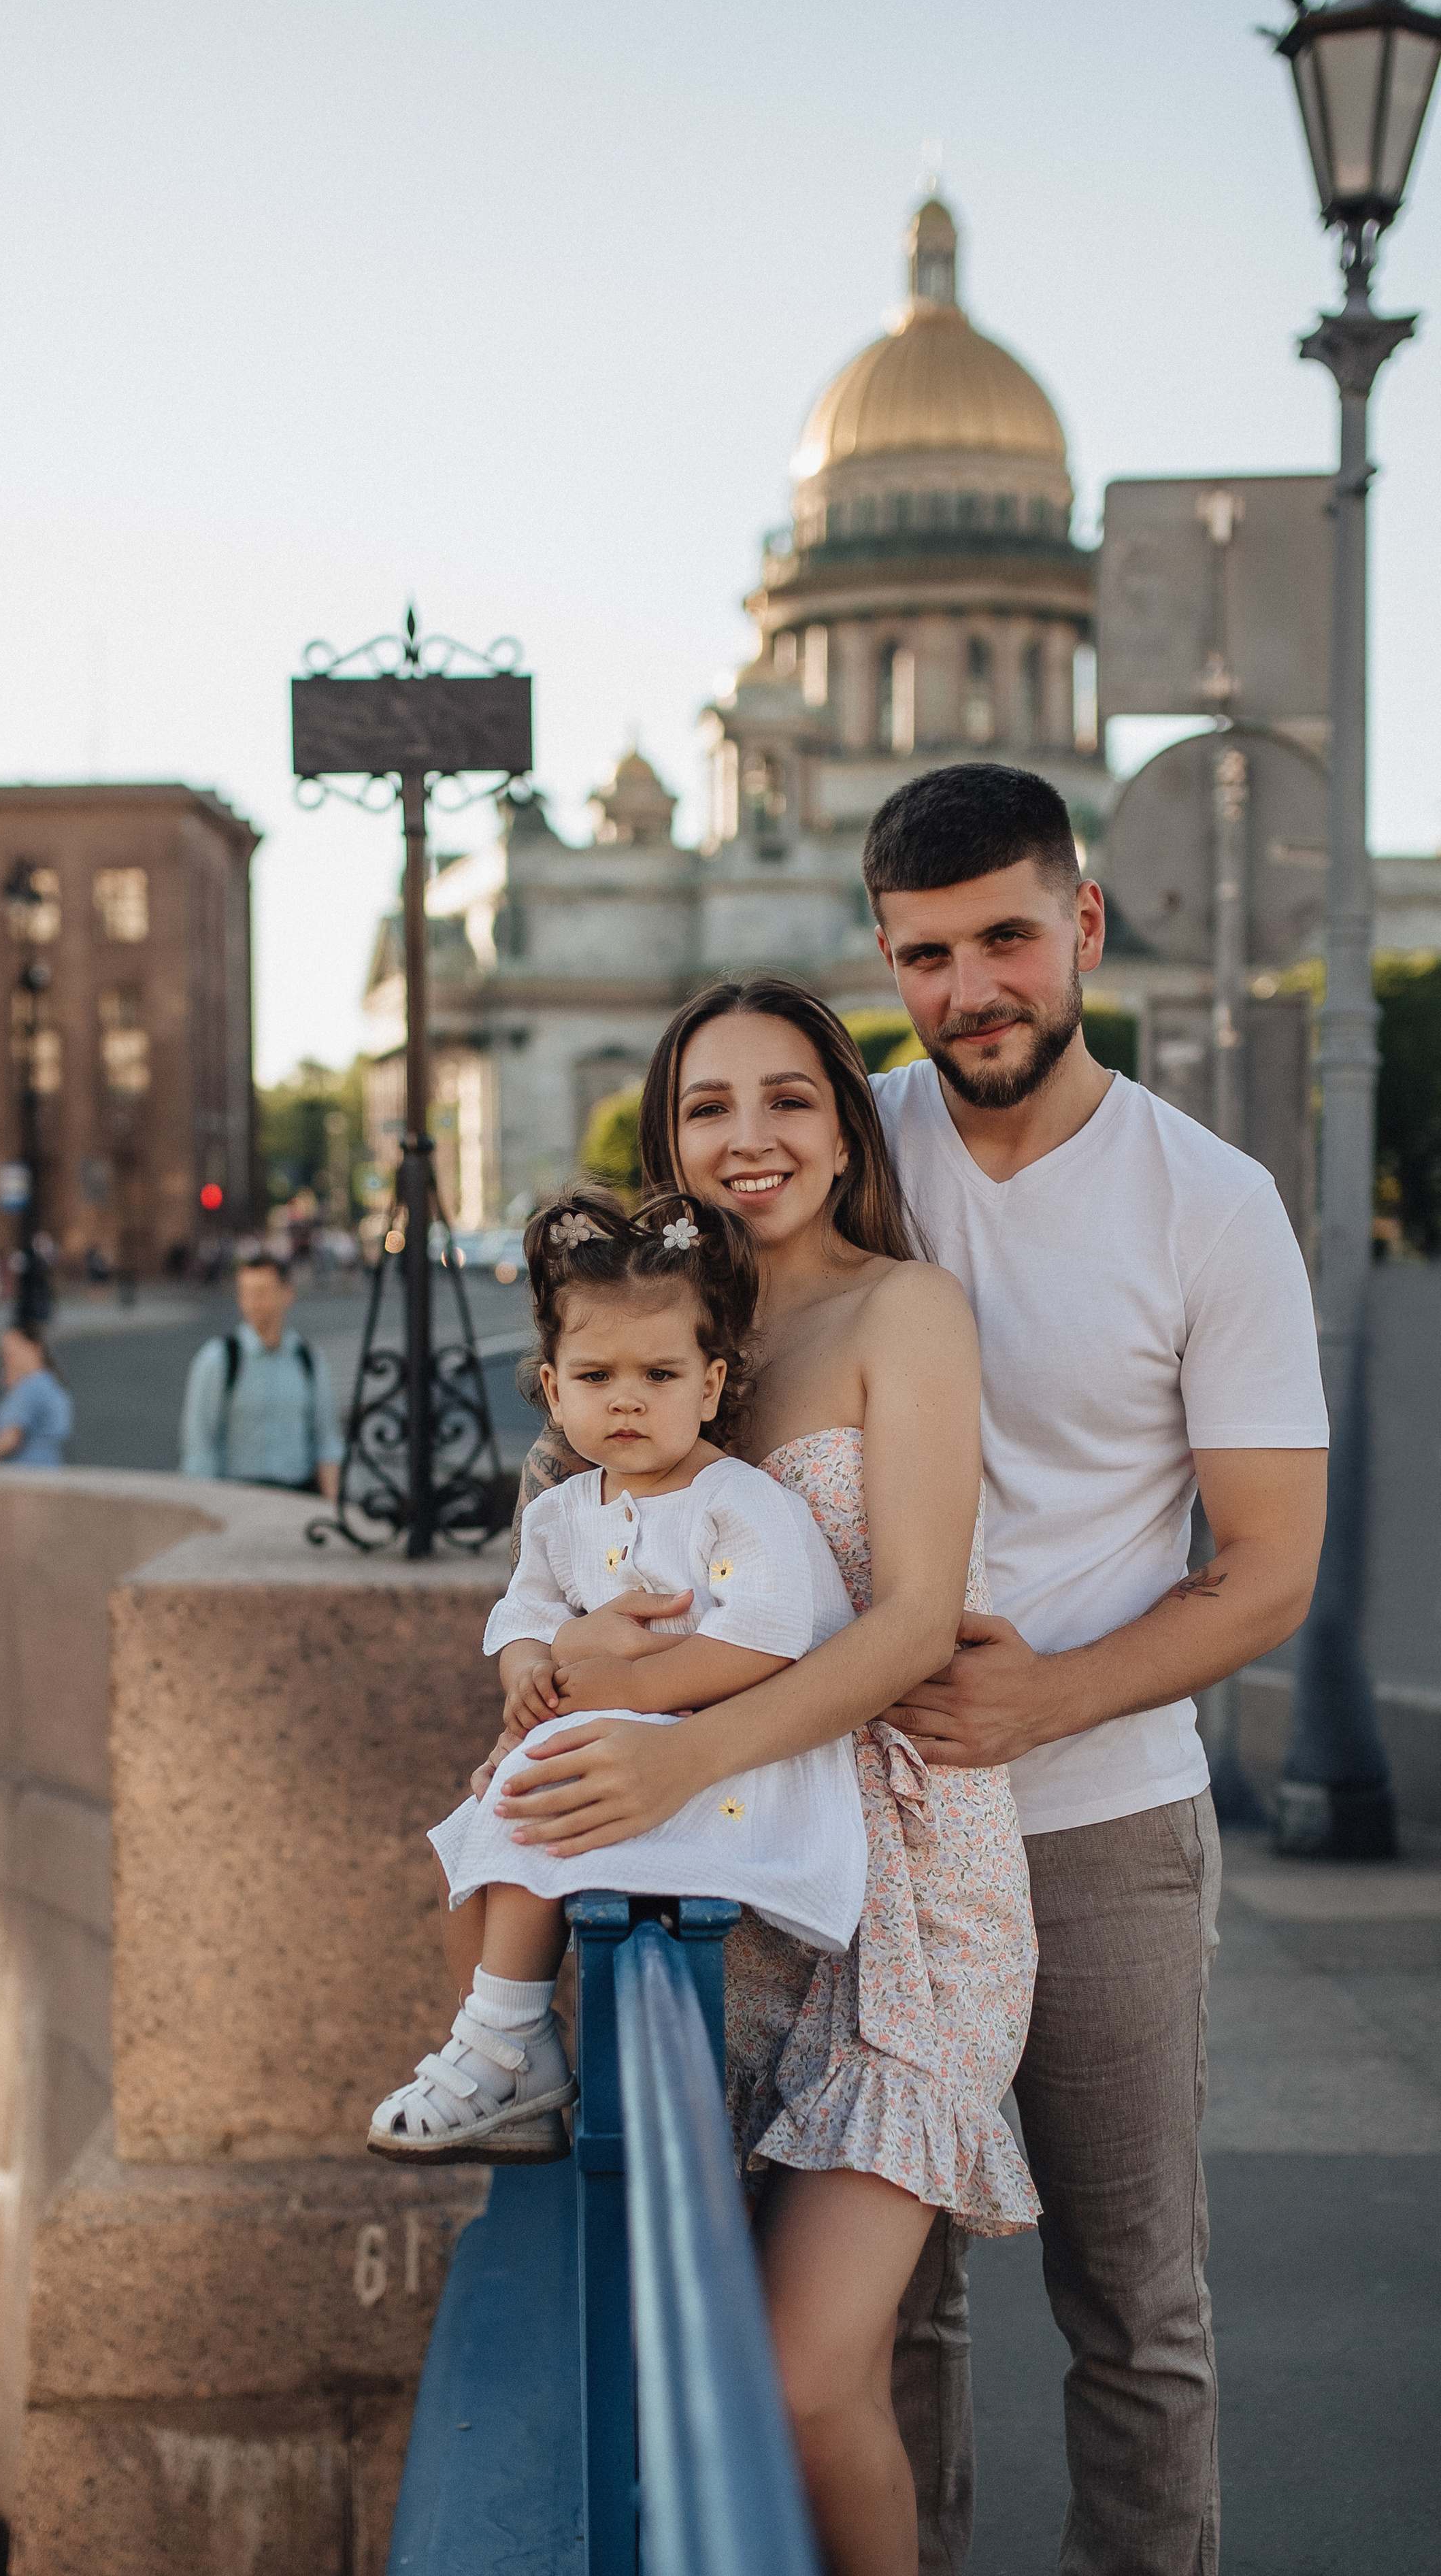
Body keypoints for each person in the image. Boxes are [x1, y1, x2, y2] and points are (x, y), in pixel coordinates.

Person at [505, 764, 1329, 2575]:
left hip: (1096, 1809)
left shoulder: (1210, 1200)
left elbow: (1273, 1567)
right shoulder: (825, 1139)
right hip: (829, 1825)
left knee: (1135, 2305)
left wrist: (1051, 1693)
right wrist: (557, 1624)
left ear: (1082, 926)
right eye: (931, 953)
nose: (976, 987)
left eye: (1009, 938)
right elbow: (627, 1405)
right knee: (889, 2328)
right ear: (888, 961)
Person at [369, 1187, 868, 2168]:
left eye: (660, 1372)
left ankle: (503, 2043)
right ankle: (502, 2044)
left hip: (722, 1761)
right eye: (597, 1374)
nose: (628, 1397)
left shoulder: (738, 1499)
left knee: (536, 1790)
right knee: (464, 1847)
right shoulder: (563, 1513)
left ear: (713, 1380)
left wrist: (616, 1688)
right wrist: (534, 1673)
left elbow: (770, 1634)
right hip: (619, 1740)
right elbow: (525, 1613)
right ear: (555, 1390)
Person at [178, 1249, 343, 1497]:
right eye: (246, 1293)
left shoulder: (308, 1360)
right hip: (241, 1498)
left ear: (288, 1294)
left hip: (298, 1496)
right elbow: (200, 1450)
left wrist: (333, 1507)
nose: (253, 1303)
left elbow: (326, 1443)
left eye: (263, 1293)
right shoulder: (219, 1359)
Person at [0, 1321, 73, 1467]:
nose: (7, 1360)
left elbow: (11, 1437)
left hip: (24, 1475)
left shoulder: (31, 1388)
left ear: (33, 1348)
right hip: (48, 1468)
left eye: (11, 1354)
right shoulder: (49, 1383)